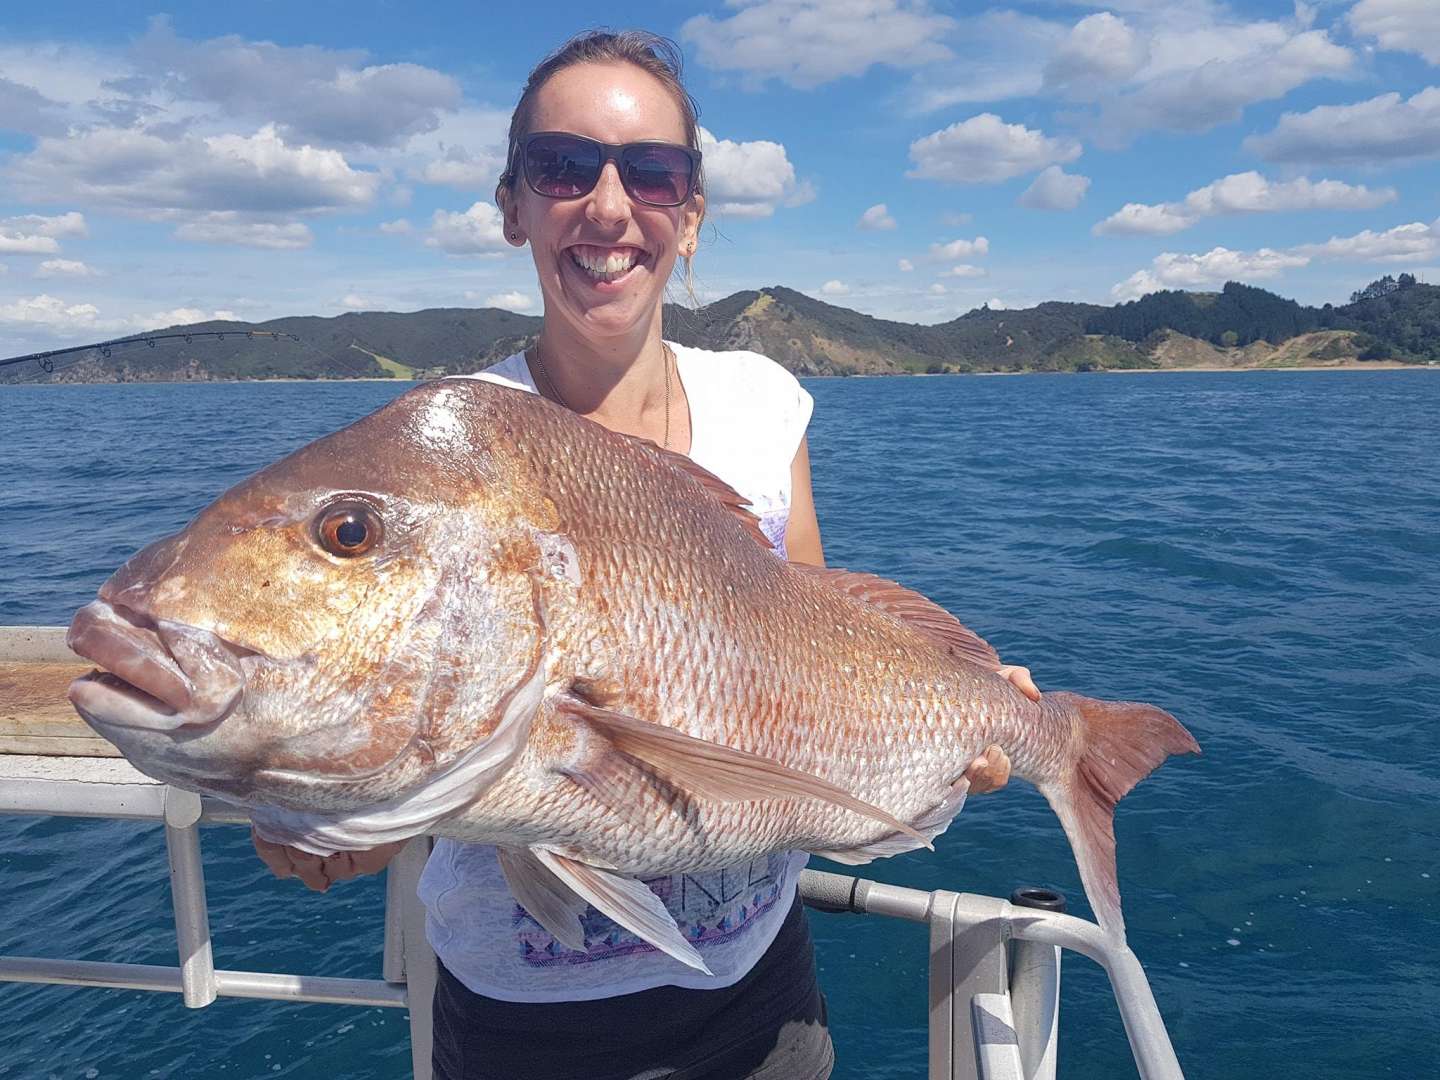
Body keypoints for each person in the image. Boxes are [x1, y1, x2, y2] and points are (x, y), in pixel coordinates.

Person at [253, 29, 1040, 1080]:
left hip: (760, 1000)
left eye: (653, 172)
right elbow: (462, 751)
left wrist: (964, 724)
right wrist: (344, 815)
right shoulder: (452, 455)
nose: (610, 206)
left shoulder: (762, 403)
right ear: (513, 206)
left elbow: (811, 643)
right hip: (518, 1025)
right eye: (564, 167)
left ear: (694, 213)